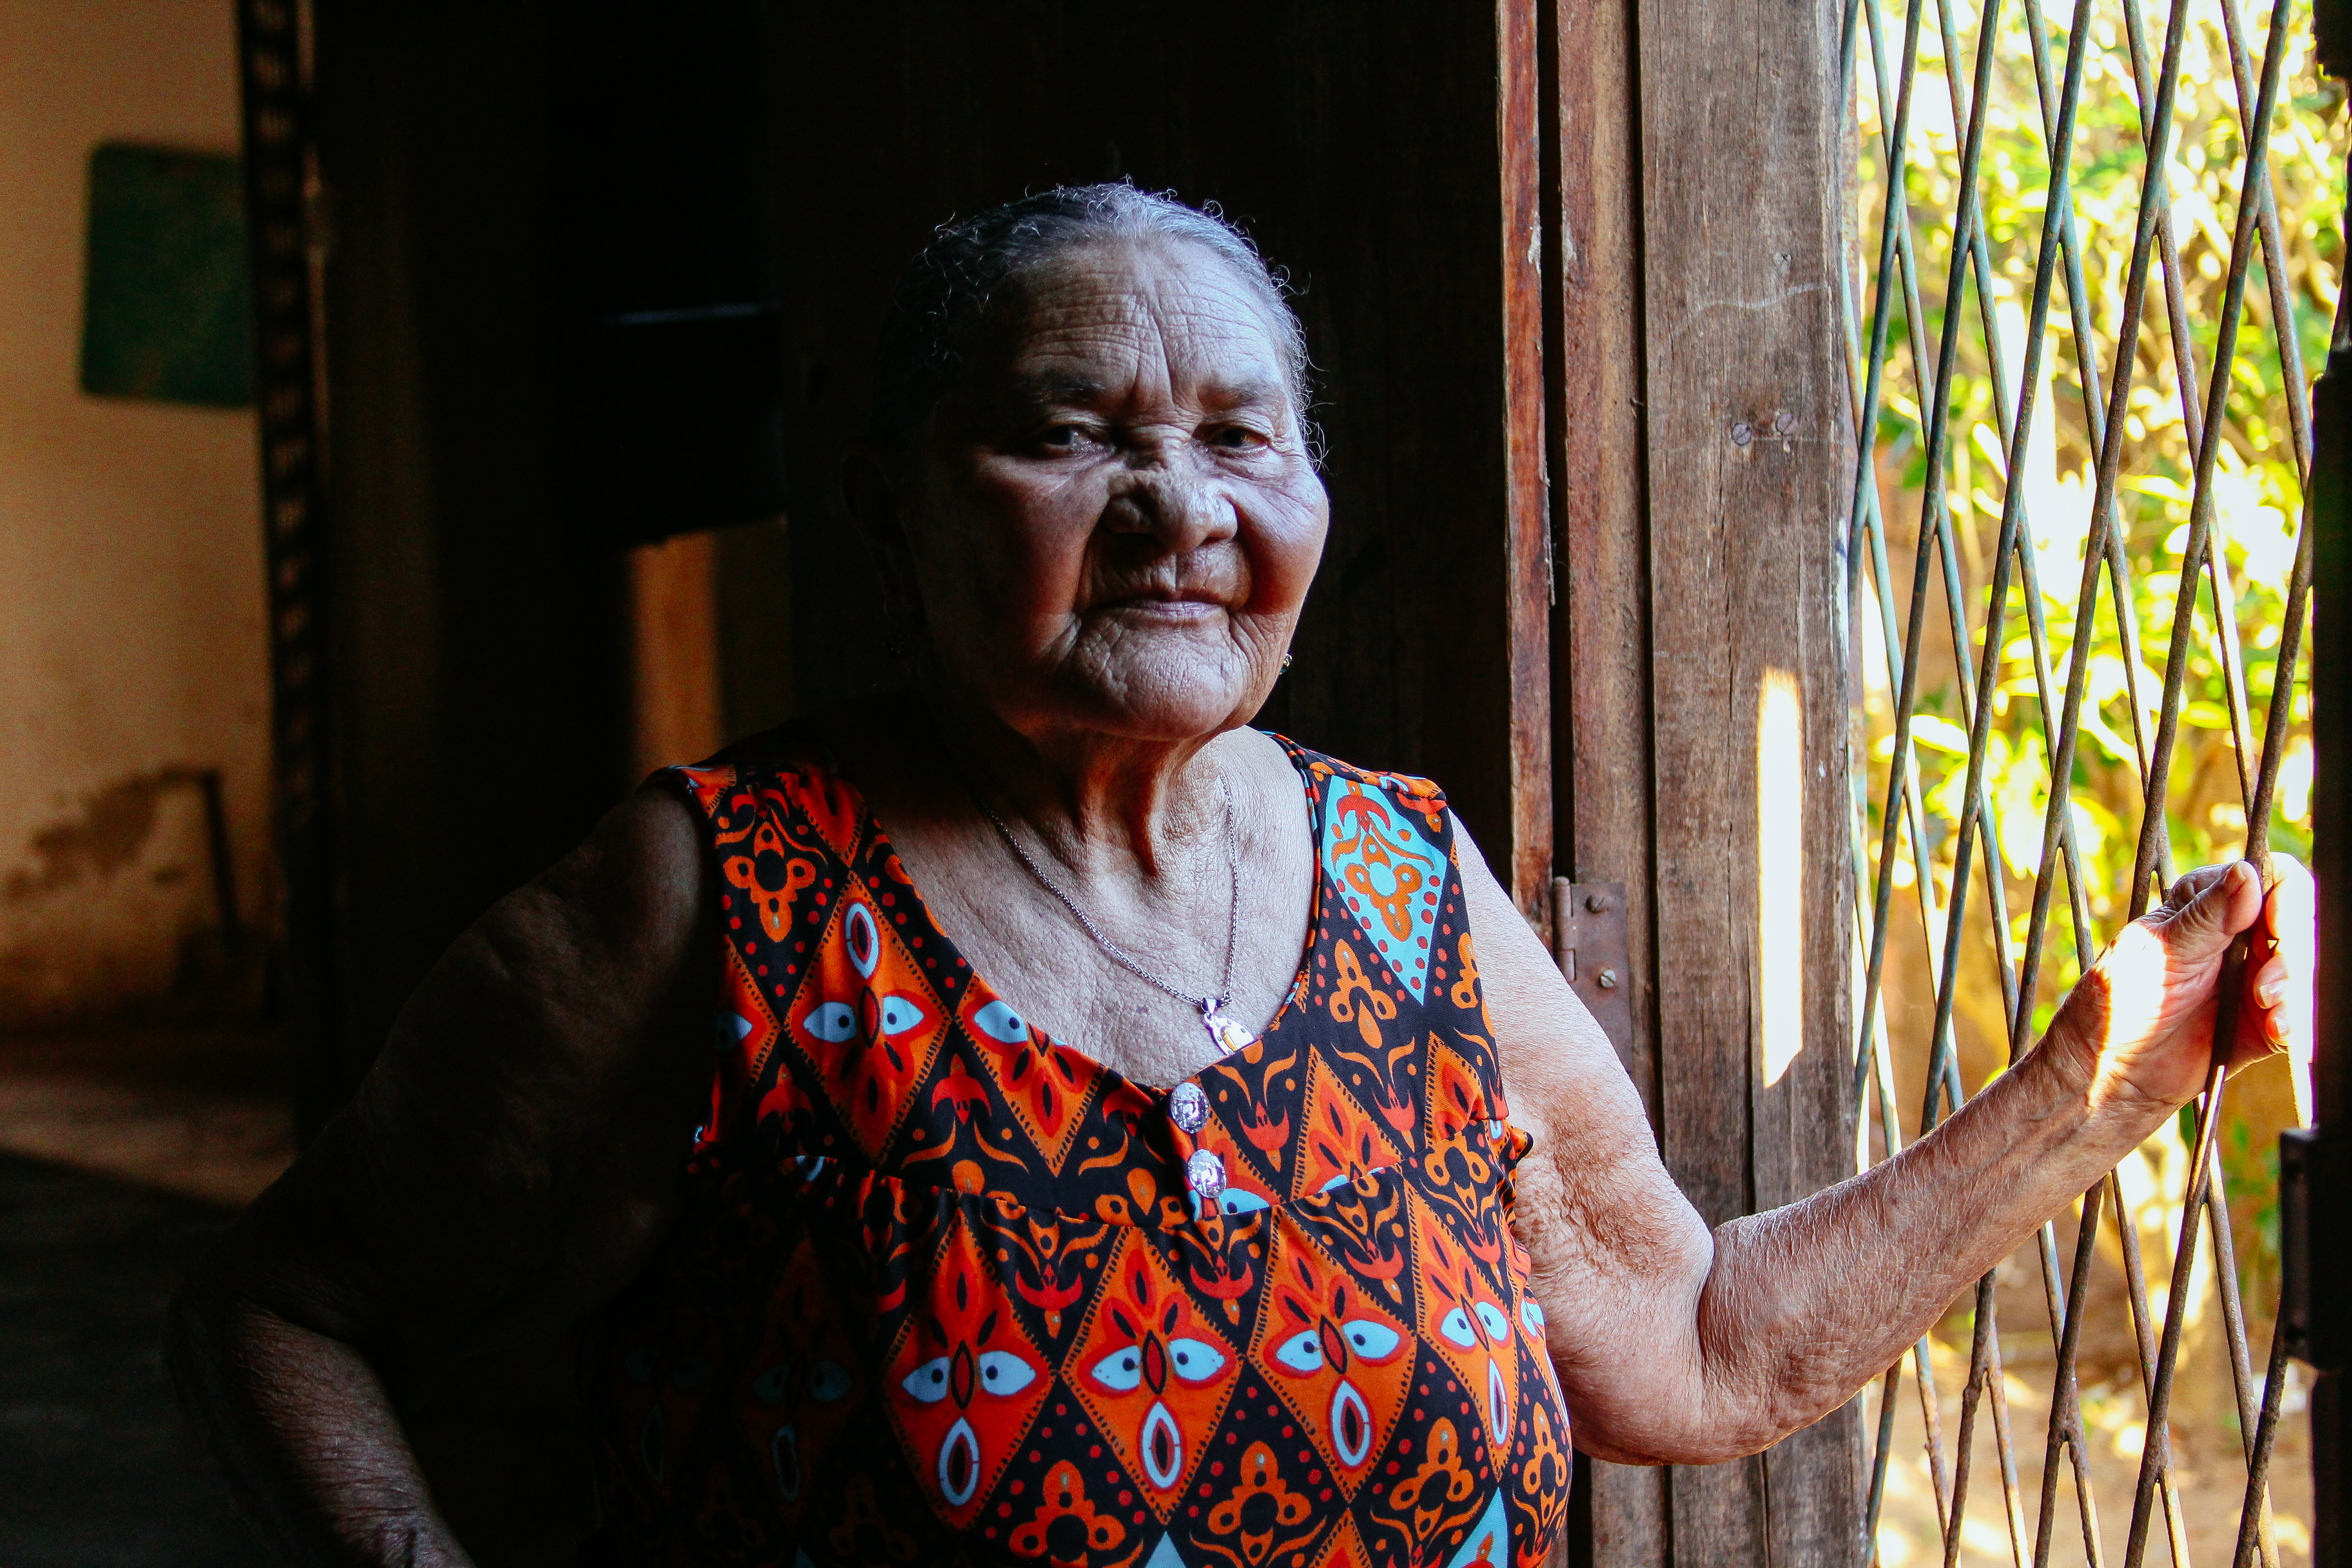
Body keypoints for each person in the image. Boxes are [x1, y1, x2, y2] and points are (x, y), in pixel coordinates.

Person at [167, 184, 2313, 1568]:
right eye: (1070, 430)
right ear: (889, 506)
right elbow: (283, 1307)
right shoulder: (710, 903)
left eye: (1238, 437)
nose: (1170, 506)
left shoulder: (1404, 878)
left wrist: (2106, 1074)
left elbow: (1694, 1350)